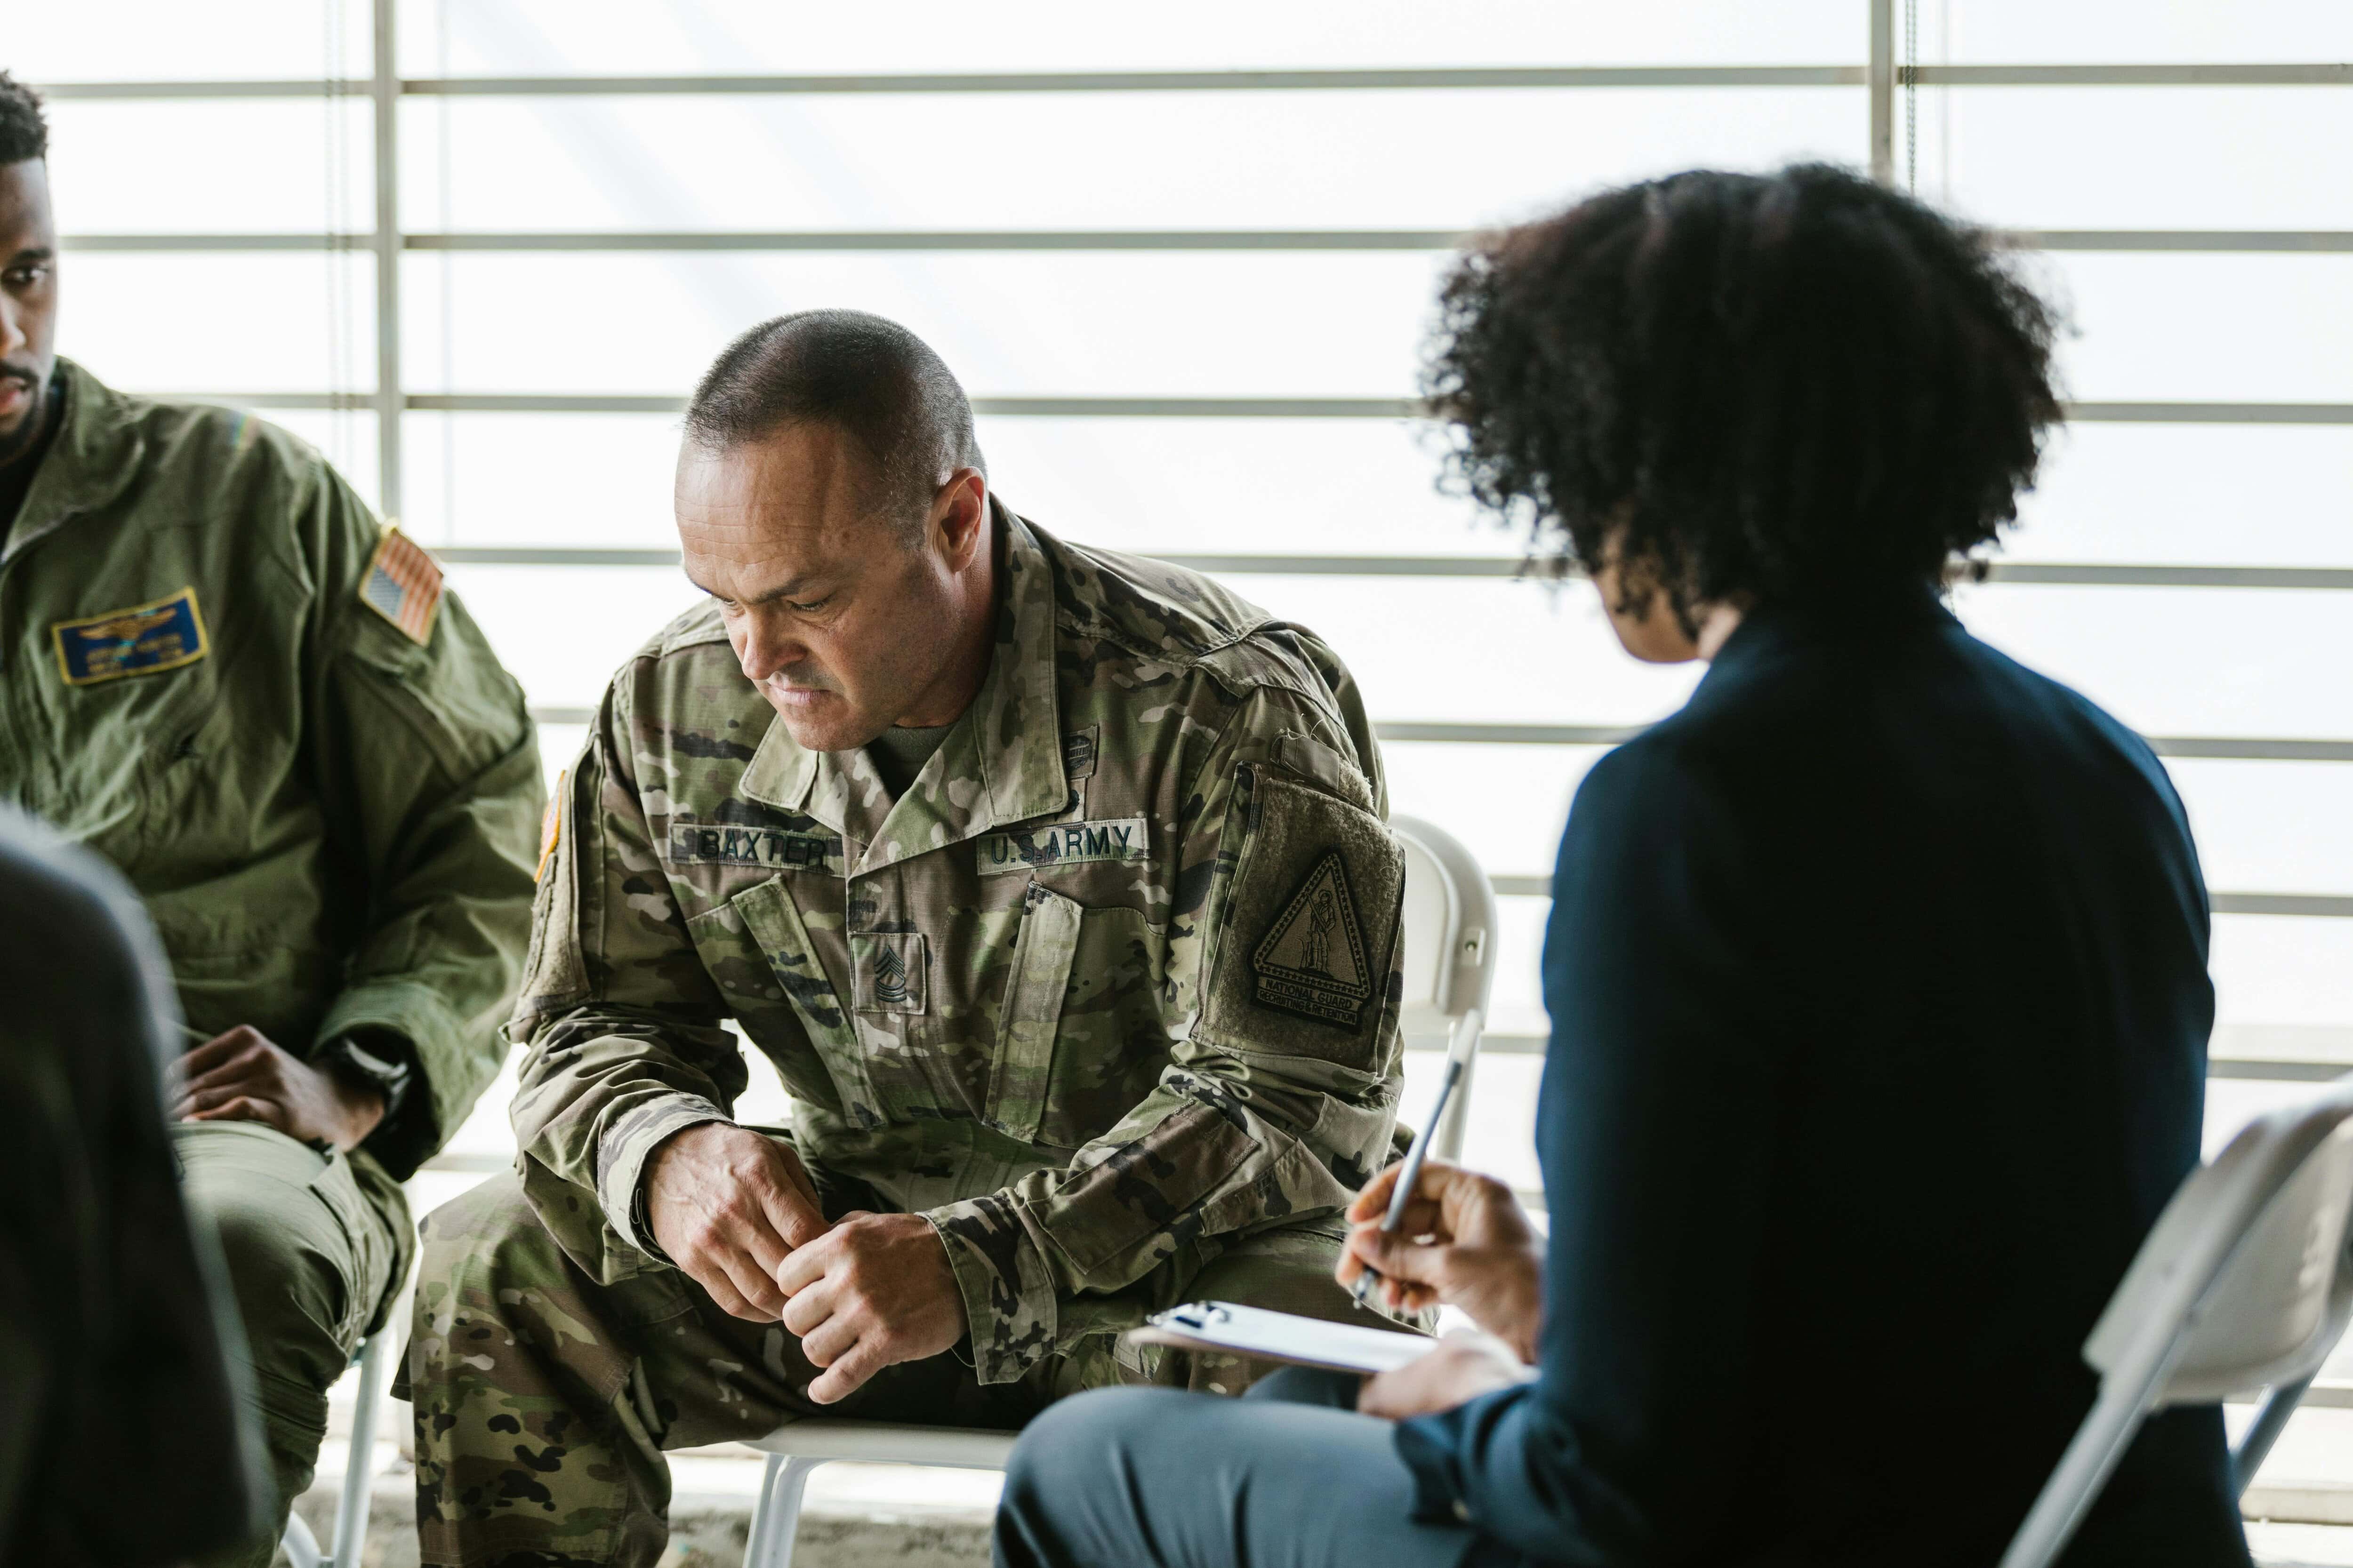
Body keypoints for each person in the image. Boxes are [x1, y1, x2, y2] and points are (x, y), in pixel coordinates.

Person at [994, 164, 2255, 1568]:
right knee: (1305, 1397)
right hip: (2073, 1528)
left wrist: (1469, 1407)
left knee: (1083, 1460)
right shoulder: (2102, 767)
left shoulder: (1691, 807)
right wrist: (1552, 1305)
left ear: (1632, 458)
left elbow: (1619, 1496)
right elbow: (1938, 1276)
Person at [402, 308, 1420, 1567]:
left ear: (954, 521)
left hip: (1170, 1274)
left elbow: (1297, 1102)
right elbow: (585, 1021)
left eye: (808, 599)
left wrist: (985, 1259)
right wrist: (662, 1152)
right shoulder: (673, 707)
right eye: (721, 599)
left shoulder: (1219, 703)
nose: (757, 655)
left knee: (1308, 1354)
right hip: (847, 1265)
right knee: (494, 1256)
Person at [0, 72, 544, 1565]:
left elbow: (483, 803)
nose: (6, 331)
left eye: (28, 272)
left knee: (232, 1252)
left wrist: (369, 1071)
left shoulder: (245, 501)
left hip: (213, 1124)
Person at [0, 809, 265, 1567]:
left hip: (240, 1090)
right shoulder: (49, 917)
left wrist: (372, 1068)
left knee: (255, 1244)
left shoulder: (42, 927)